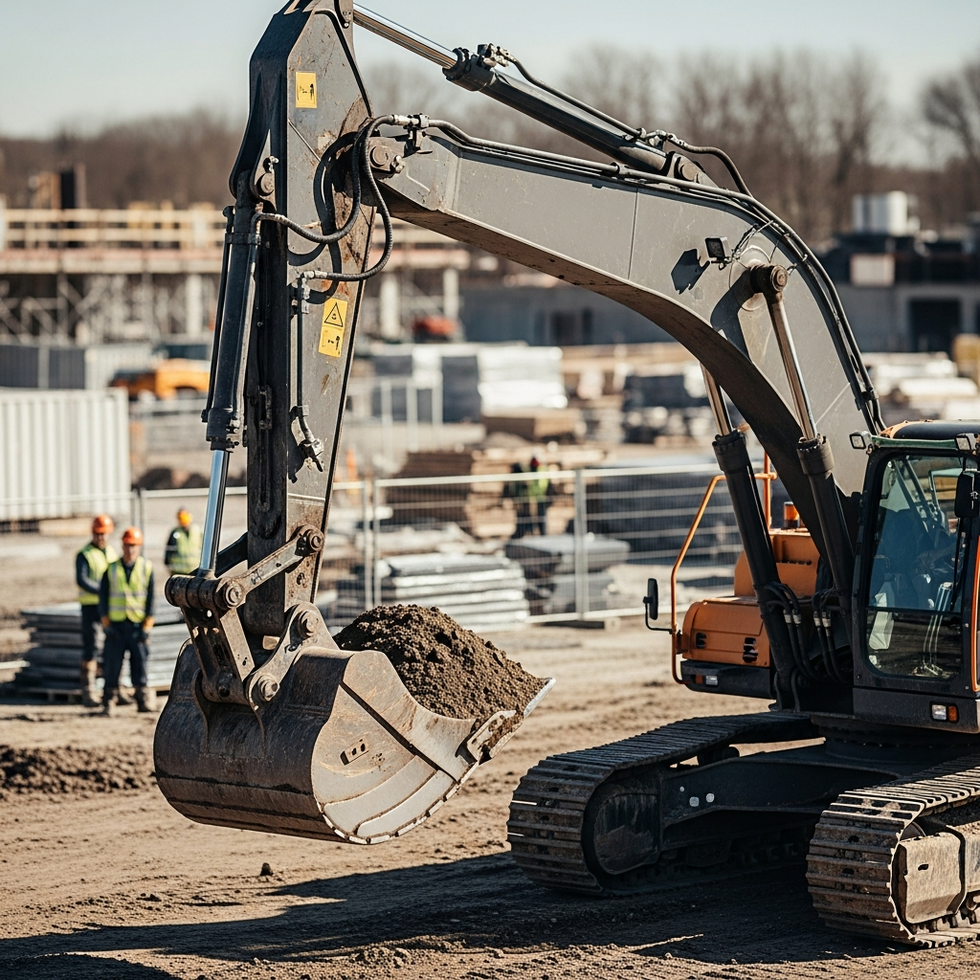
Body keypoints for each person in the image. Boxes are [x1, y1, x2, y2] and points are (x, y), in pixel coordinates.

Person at [99, 526, 155, 714]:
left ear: (138, 547)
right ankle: (109, 700)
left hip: (137, 626)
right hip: (116, 626)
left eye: (133, 546)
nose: (130, 550)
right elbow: (103, 597)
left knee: (140, 664)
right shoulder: (112, 568)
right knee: (112, 665)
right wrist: (106, 623)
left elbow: (151, 598)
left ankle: (142, 700)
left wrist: (147, 624)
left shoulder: (146, 568)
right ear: (122, 546)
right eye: (127, 545)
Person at [75, 514, 118, 708]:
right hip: (91, 607)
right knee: (91, 647)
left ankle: (114, 688)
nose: (101, 537)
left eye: (104, 534)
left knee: (112, 647)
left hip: (109, 607)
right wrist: (102, 591)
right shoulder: (84, 554)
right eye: (97, 534)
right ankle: (88, 690)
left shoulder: (112, 553)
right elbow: (82, 580)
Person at [164, 508, 203, 575]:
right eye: (181, 518)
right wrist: (168, 564)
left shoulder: (197, 531)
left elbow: (205, 549)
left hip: (196, 569)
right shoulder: (175, 532)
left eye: (185, 517)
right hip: (179, 570)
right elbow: (169, 549)